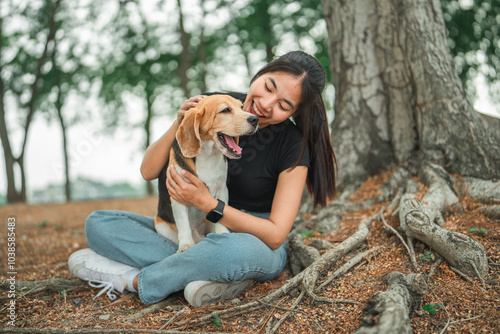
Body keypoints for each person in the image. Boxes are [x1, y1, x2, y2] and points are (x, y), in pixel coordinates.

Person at [68, 50, 337, 307]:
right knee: (99, 223)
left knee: (227, 252)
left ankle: (135, 280)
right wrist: (180, 122)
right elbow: (148, 171)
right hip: (193, 231)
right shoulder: (213, 103)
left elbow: (277, 235)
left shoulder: (294, 144)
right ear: (261, 73)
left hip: (252, 240)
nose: (266, 105)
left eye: (283, 105)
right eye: (268, 87)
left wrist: (210, 205)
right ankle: (213, 276)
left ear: (294, 113)